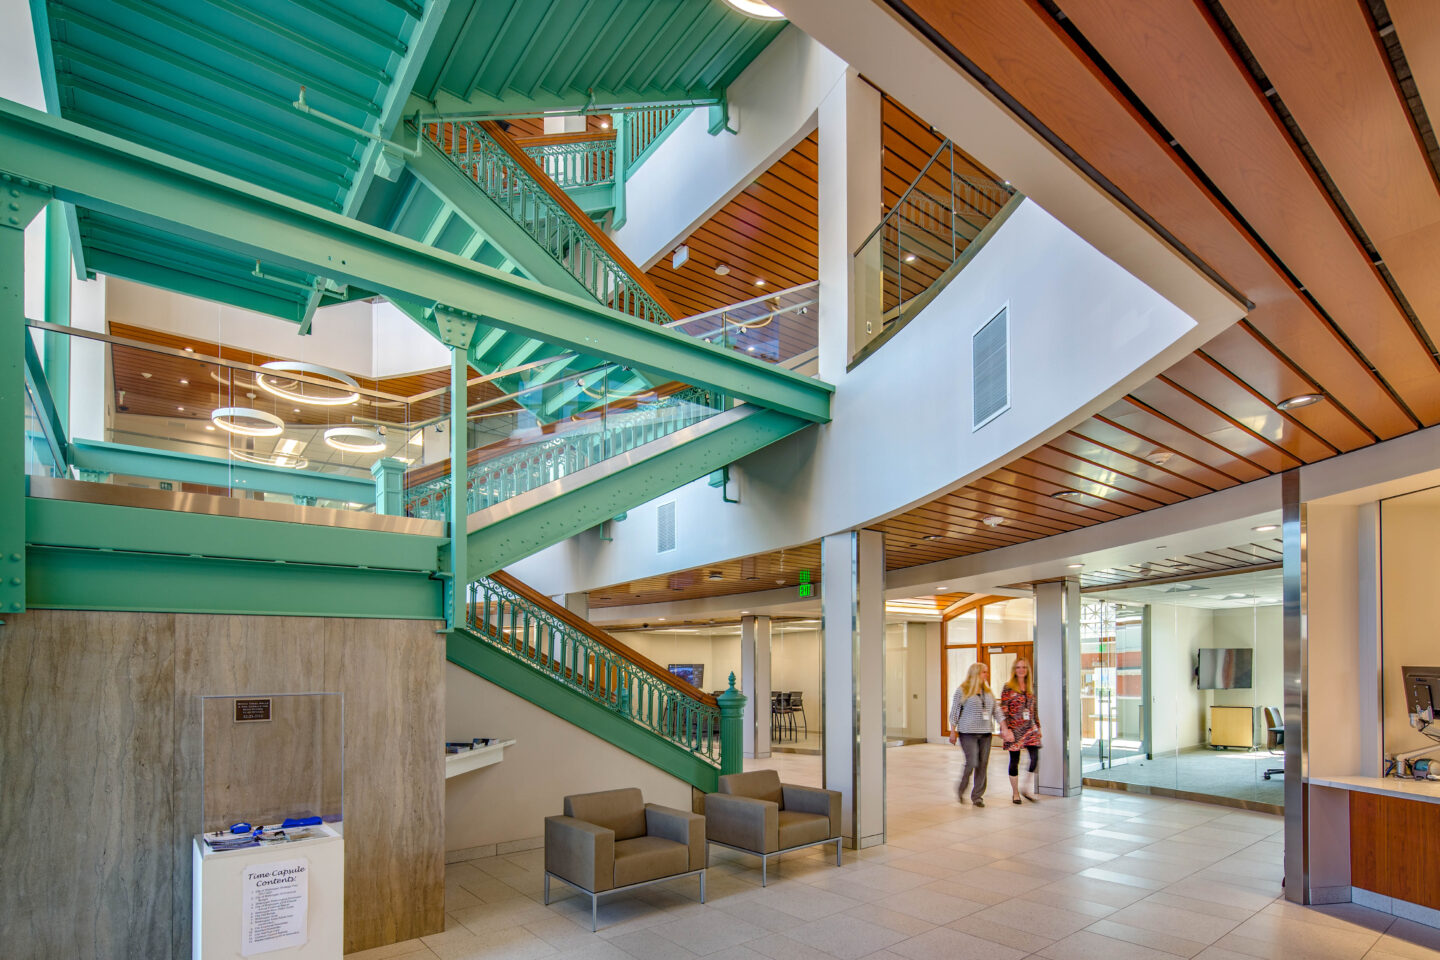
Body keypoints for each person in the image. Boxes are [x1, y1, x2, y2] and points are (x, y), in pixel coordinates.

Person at [947, 662, 1007, 806]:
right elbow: (955, 711)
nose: (986, 674)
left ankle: (977, 796)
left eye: (986, 672)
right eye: (984, 672)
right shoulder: (962, 690)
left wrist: (1003, 727)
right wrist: (952, 731)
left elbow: (996, 711)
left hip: (985, 733)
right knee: (972, 762)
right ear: (975, 673)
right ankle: (962, 788)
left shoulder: (988, 691)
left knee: (982, 764)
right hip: (968, 733)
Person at [1000, 658, 1042, 804]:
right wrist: (1005, 729)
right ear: (1014, 670)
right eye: (1018, 667)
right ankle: (1015, 793)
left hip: (1030, 728)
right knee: (1015, 760)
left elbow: (1033, 709)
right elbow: (1003, 710)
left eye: (1024, 667)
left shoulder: (1030, 687)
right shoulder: (1008, 687)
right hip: (1014, 729)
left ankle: (1026, 788)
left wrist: (1038, 726)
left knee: (1035, 758)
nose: (1021, 670)